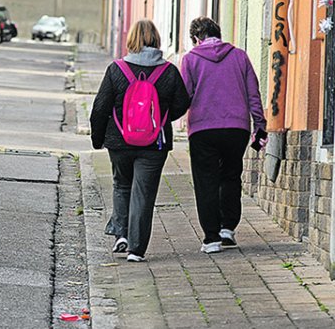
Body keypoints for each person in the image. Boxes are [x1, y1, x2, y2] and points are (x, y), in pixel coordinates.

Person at [90, 20, 190, 262]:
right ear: (156, 39)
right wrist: (159, 119)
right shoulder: (169, 71)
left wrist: (98, 139)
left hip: (119, 141)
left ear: (131, 39)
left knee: (121, 185)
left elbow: (100, 107)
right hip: (154, 144)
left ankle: (121, 234)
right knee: (143, 193)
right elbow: (182, 103)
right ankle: (136, 249)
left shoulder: (116, 69)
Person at [181, 17, 267, 254]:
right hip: (236, 128)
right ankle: (227, 228)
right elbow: (253, 94)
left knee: (206, 182)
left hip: (202, 129)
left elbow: (185, 95)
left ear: (196, 38)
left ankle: (211, 239)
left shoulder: (190, 59)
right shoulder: (240, 56)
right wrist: (259, 126)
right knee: (231, 175)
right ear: (218, 34)